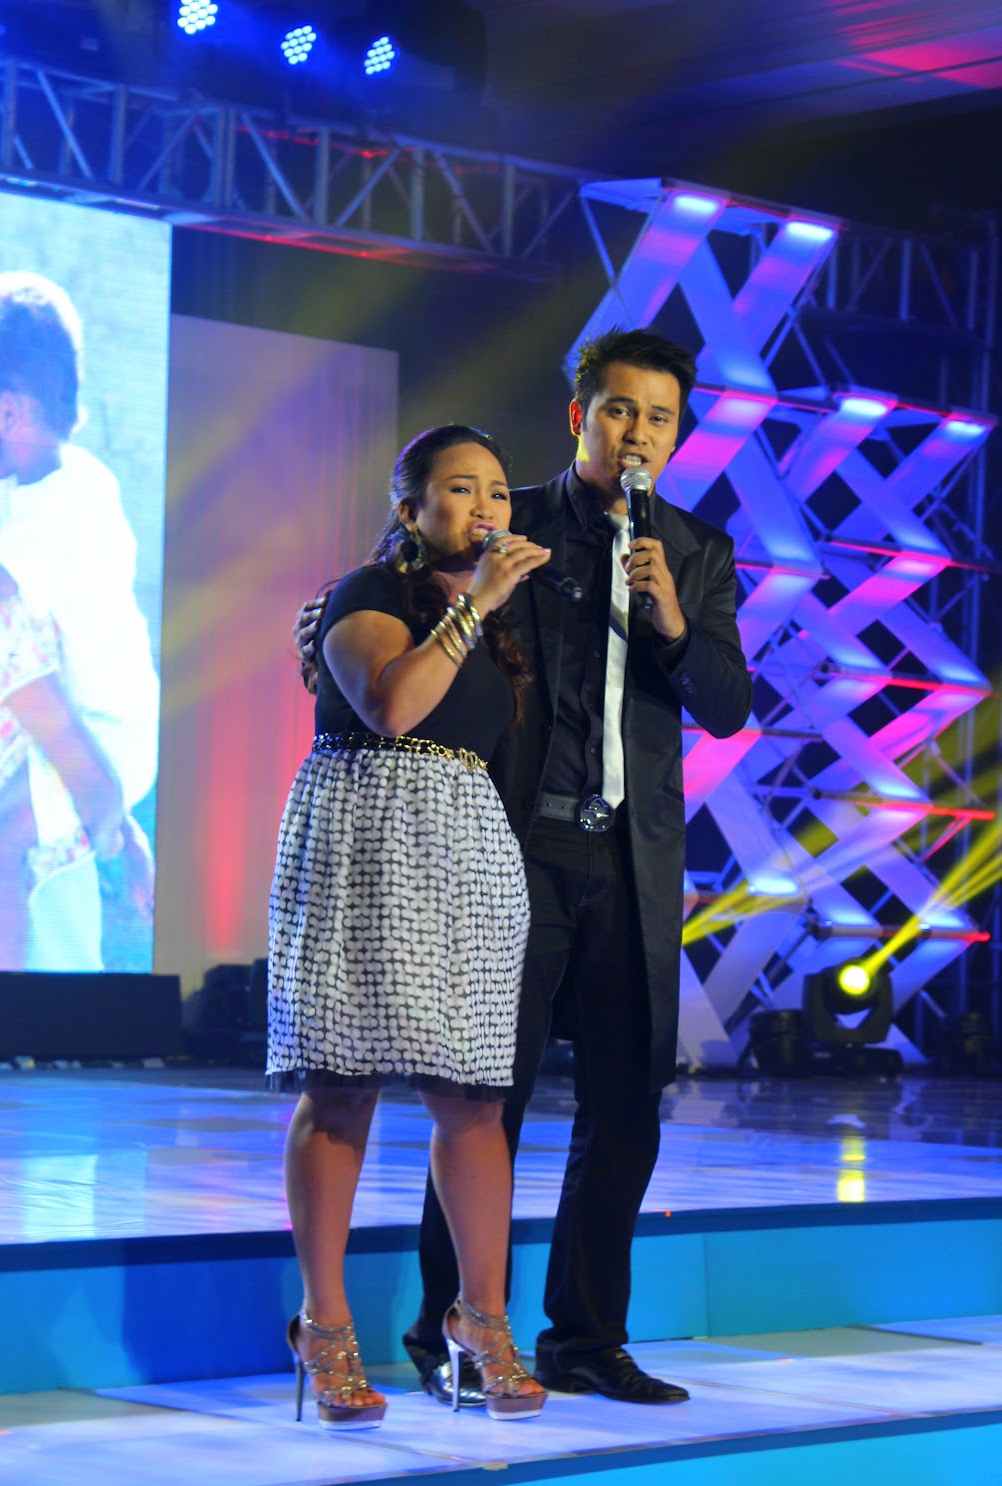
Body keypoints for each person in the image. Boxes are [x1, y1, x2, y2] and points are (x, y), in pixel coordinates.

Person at [298, 329, 753, 1407]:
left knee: (625, 1101)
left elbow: (729, 703)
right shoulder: (510, 523)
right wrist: (324, 622)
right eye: (618, 410)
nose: (636, 434)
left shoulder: (695, 550)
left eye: (658, 418)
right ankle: (446, 1327)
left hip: (630, 856)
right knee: (477, 1093)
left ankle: (585, 1338)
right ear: (580, 416)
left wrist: (671, 621)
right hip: (510, 843)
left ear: (677, 433)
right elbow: (395, 601)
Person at [269, 424, 552, 1427]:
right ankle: (324, 1325)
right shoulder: (366, 595)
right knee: (342, 1085)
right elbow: (392, 709)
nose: (485, 508)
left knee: (472, 1097)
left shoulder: (498, 620)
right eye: (460, 488)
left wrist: (483, 610)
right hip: (363, 845)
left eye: (498, 492)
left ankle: (483, 1320)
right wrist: (474, 606)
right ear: (409, 508)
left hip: (465, 857)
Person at [0, 272, 158, 970]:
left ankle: (4, 999)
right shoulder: (16, 486)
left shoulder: (64, 504)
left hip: (107, 730)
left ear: (6, 411)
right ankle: (116, 841)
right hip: (68, 733)